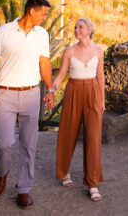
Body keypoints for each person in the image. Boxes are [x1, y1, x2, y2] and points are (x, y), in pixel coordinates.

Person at [0, 0, 55, 210]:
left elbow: (45, 62)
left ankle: (23, 189)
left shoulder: (42, 35)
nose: (45, 18)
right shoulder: (3, 32)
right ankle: (1, 173)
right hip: (5, 94)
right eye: (43, 13)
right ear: (31, 10)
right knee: (4, 143)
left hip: (32, 94)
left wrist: (50, 89)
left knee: (28, 145)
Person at [52, 18, 106, 201]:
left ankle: (92, 184)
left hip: (93, 92)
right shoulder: (69, 52)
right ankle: (64, 172)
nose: (76, 30)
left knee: (93, 137)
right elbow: (60, 76)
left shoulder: (99, 51)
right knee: (68, 133)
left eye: (80, 27)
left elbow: (100, 78)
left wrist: (102, 101)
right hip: (73, 91)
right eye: (75, 27)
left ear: (90, 29)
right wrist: (51, 91)